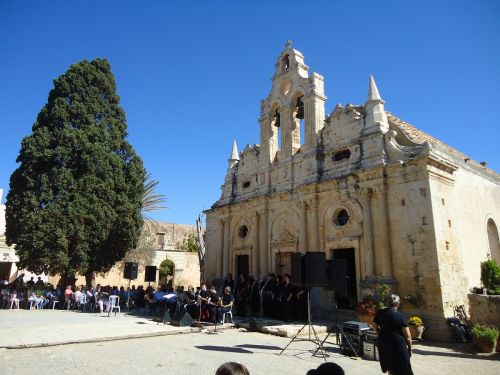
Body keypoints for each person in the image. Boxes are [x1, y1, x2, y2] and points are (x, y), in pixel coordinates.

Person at [373, 294, 414, 375]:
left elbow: (374, 325)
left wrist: (379, 332)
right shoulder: (400, 316)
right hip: (398, 345)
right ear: (398, 303)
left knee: (390, 367)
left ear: (387, 303)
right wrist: (410, 349)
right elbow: (408, 336)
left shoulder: (380, 312)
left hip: (384, 343)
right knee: (403, 368)